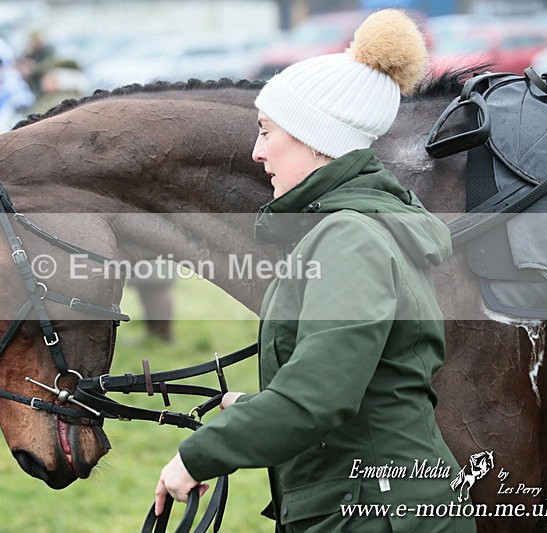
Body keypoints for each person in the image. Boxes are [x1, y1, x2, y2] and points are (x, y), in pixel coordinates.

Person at [154, 10, 477, 532]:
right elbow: (362, 382)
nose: (258, 153)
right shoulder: (354, 230)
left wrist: (198, 455)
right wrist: (257, 410)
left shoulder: (350, 237)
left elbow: (318, 400)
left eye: (266, 132)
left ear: (314, 137)